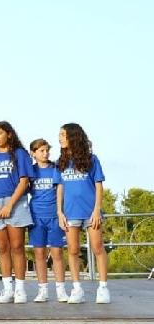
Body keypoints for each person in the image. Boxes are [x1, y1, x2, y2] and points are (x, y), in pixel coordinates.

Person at [0, 121, 35, 304]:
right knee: (2, 248)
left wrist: (10, 205)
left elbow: (24, 180)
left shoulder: (19, 154)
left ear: (9, 134)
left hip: (15, 202)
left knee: (17, 247)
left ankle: (20, 289)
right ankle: (8, 288)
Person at [57, 123, 110, 304]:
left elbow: (98, 185)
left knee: (97, 247)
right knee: (72, 250)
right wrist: (59, 212)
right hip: (70, 213)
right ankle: (77, 288)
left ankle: (103, 288)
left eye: (63, 135)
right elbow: (60, 188)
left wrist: (96, 210)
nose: (60, 138)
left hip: (90, 212)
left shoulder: (91, 159)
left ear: (73, 136)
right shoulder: (61, 162)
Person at [28, 138, 67, 302]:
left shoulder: (56, 169)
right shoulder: (30, 170)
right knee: (39, 253)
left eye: (47, 150)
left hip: (54, 215)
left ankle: (61, 289)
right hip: (36, 215)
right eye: (41, 151)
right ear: (33, 153)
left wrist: (60, 212)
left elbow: (61, 190)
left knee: (57, 252)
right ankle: (42, 290)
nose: (45, 153)